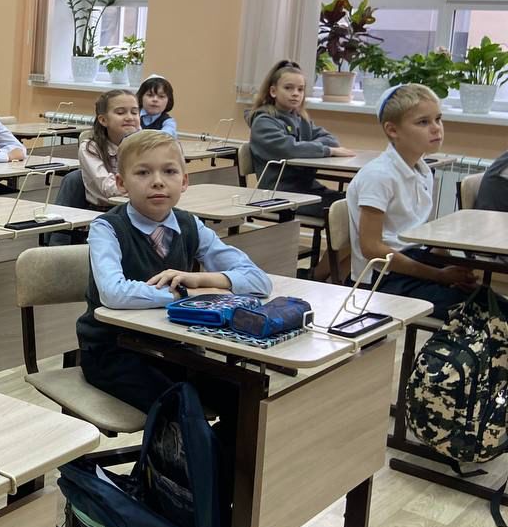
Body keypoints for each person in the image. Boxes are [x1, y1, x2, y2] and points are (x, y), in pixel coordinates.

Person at [76, 130, 272, 412]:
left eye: (169, 171)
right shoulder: (107, 228)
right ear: (121, 183)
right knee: (180, 403)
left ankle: (206, 443)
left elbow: (259, 280)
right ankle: (176, 441)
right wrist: (186, 294)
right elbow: (113, 293)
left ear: (184, 181)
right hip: (112, 350)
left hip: (173, 347)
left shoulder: (190, 225)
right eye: (143, 172)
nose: (158, 181)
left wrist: (201, 280)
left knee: (243, 398)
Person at [347, 84, 478, 319]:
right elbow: (372, 249)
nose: (436, 128)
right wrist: (438, 275)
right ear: (392, 130)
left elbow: (421, 231)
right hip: (384, 280)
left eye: (438, 119)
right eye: (423, 122)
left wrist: (450, 267)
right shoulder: (379, 176)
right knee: (483, 315)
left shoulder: (422, 170)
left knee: (490, 302)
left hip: (414, 263)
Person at [246, 60, 353, 214]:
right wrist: (327, 151)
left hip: (307, 188)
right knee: (345, 209)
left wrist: (310, 147)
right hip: (279, 194)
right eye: (288, 88)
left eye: (300, 89)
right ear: (273, 91)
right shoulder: (263, 122)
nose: (295, 93)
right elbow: (288, 148)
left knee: (353, 201)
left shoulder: (300, 119)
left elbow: (331, 140)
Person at [73, 88, 141, 207]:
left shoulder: (144, 144)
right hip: (105, 210)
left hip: (140, 207)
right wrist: (144, 189)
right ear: (103, 120)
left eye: (134, 112)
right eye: (120, 113)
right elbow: (108, 188)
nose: (130, 117)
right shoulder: (90, 148)